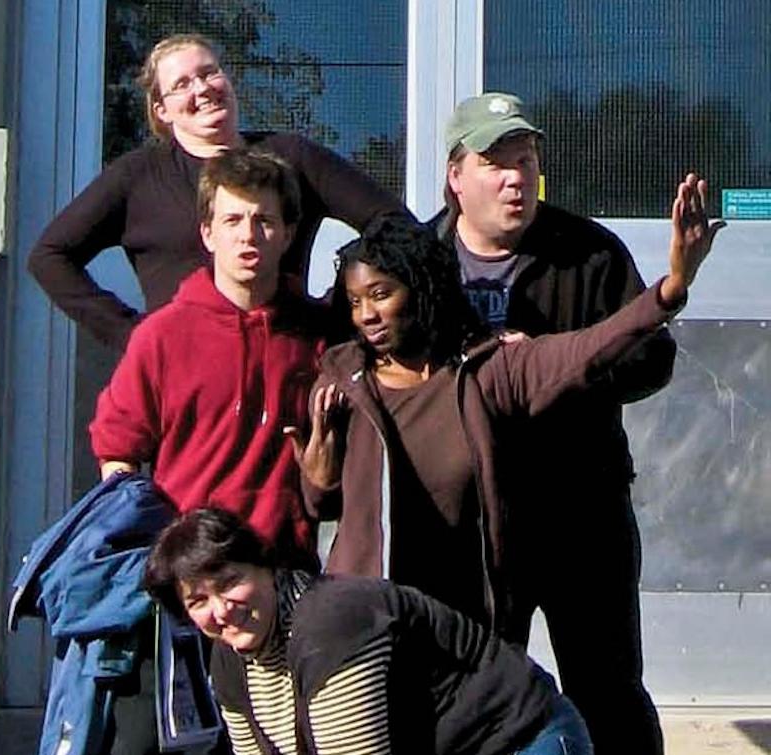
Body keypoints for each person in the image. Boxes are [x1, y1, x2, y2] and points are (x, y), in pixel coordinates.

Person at [287, 175, 720, 656]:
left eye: (381, 295)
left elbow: (591, 350)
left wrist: (672, 287)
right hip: (374, 621)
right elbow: (323, 505)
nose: (366, 314)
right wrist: (319, 473)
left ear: (420, 288)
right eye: (354, 302)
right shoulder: (343, 382)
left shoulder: (486, 372)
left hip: (468, 620)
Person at [433, 92, 724, 754]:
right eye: (497, 162)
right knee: (475, 686)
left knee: (608, 688)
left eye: (526, 159)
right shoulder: (423, 259)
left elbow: (652, 363)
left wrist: (556, 370)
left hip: (582, 512)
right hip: (472, 520)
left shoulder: (588, 252)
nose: (516, 178)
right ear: (456, 175)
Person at [88, 148, 326, 754]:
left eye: (265, 221)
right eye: (233, 220)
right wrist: (161, 552)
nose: (250, 235)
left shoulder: (316, 334)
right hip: (191, 590)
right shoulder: (164, 334)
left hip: (284, 577)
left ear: (288, 234)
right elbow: (117, 450)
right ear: (206, 232)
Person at [28, 33, 409, 351]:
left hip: (286, 360)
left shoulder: (292, 157)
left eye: (210, 73)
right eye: (182, 84)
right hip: (184, 372)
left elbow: (392, 225)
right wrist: (130, 333)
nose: (203, 89)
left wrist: (341, 307)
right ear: (161, 110)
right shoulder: (137, 176)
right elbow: (49, 256)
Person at [144, 507, 594, 755]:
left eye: (229, 583)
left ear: (266, 566)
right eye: (198, 601)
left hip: (518, 739)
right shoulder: (229, 660)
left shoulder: (330, 622)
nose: (222, 610)